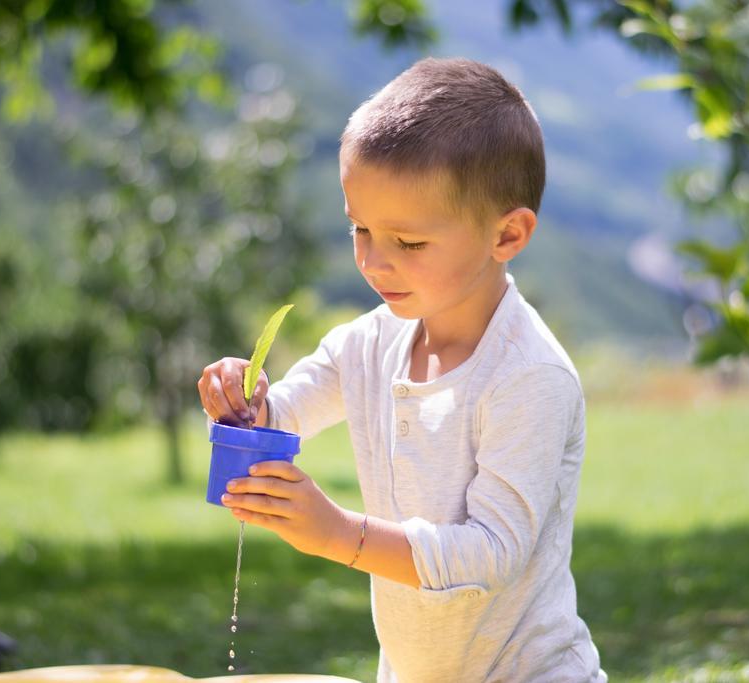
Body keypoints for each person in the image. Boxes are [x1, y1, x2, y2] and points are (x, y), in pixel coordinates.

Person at [198, 56, 607, 683]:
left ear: (507, 236)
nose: (374, 263)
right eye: (359, 228)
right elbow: (282, 414)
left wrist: (338, 534)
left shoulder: (528, 376)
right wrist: (243, 404)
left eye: (408, 242)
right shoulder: (366, 345)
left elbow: (492, 551)